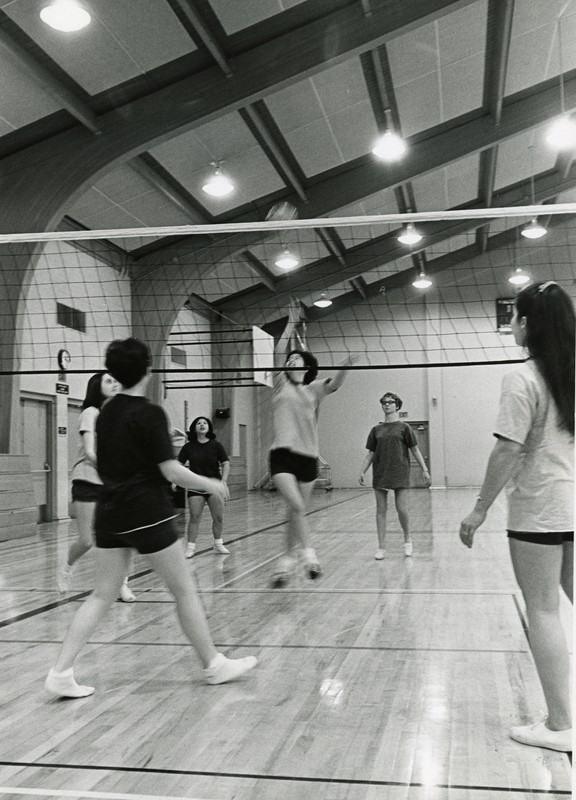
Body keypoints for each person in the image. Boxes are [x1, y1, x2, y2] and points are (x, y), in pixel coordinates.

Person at [45, 338, 256, 698]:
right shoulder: (150, 413)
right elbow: (171, 470)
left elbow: (104, 459)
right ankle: (213, 665)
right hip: (145, 511)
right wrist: (211, 483)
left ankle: (61, 671)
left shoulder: (105, 412)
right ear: (149, 369)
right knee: (184, 590)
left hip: (109, 511)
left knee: (101, 594)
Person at [459, 281, 574, 752]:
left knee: (543, 607)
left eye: (514, 317)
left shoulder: (524, 378)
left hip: (541, 508)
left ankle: (561, 725)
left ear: (527, 324)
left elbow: (507, 449)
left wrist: (478, 509)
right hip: (573, 501)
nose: (510, 325)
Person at [269, 301, 355, 587]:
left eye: (297, 360)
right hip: (281, 456)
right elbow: (279, 350)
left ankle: (283, 562)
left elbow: (335, 385)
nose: (292, 362)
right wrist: (290, 323)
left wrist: (346, 366)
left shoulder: (314, 389)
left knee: (295, 512)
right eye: (290, 360)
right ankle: (309, 556)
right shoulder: (281, 383)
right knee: (296, 505)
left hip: (308, 458)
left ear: (307, 368)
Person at [58, 372, 135, 603]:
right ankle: (65, 569)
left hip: (112, 482)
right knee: (87, 541)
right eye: (108, 381)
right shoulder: (90, 414)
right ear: (96, 387)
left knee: (124, 537)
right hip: (87, 479)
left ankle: (122, 585)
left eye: (115, 380)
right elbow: (90, 453)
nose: (114, 384)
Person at [359, 392, 431, 559]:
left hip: (399, 472)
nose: (387, 404)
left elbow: (414, 449)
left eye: (390, 402)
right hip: (380, 473)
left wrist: (425, 469)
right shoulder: (376, 430)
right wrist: (362, 470)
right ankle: (381, 547)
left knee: (401, 508)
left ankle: (407, 540)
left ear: (397, 405)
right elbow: (370, 453)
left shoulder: (404, 428)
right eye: (384, 402)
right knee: (381, 510)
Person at [178, 416, 230, 558]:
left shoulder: (216, 445)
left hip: (214, 487)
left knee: (218, 517)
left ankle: (218, 544)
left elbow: (225, 463)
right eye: (199, 423)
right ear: (194, 428)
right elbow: (178, 465)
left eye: (205, 423)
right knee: (194, 516)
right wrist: (175, 480)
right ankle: (190, 547)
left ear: (209, 427)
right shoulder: (188, 447)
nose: (202, 425)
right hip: (195, 487)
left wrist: (223, 482)